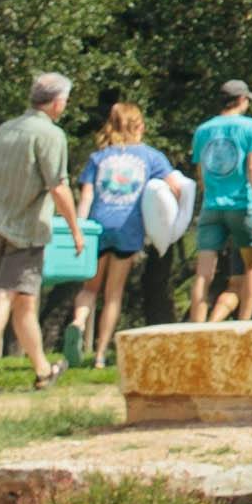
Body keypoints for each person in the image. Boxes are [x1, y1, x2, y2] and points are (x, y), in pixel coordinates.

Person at [0, 71, 79, 399]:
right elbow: (58, 186)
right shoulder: (50, 135)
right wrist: (75, 230)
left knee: (24, 302)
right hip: (24, 230)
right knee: (3, 297)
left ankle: (43, 371)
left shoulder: (5, 129)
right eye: (65, 102)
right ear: (57, 103)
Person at [76, 102, 165, 363]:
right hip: (128, 228)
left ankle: (79, 324)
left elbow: (87, 194)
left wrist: (80, 229)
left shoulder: (98, 157)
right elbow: (173, 185)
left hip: (98, 226)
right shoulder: (151, 156)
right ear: (138, 125)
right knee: (113, 293)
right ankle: (101, 353)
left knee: (90, 287)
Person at [187, 80, 252, 324]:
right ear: (242, 100)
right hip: (241, 205)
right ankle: (244, 323)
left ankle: (195, 328)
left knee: (203, 273)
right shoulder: (250, 126)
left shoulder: (203, 130)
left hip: (211, 206)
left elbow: (200, 170)